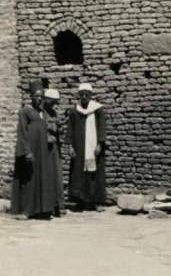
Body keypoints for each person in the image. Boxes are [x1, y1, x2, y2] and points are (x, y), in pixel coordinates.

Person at [11, 80, 58, 219]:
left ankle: (43, 209)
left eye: (42, 97)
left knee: (42, 178)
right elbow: (22, 132)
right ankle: (26, 210)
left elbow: (44, 128)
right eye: (37, 96)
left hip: (43, 151)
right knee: (29, 180)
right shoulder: (25, 111)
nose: (39, 99)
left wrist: (49, 136)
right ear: (31, 96)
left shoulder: (42, 112)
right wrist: (26, 151)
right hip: (31, 150)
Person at [66, 83, 107, 211]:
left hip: (93, 148)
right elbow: (70, 129)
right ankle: (80, 200)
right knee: (78, 173)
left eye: (86, 95)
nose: (84, 97)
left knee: (95, 174)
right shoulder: (74, 111)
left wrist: (100, 143)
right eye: (81, 95)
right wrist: (70, 145)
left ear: (90, 96)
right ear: (79, 96)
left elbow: (102, 128)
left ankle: (97, 201)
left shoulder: (98, 110)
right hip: (79, 148)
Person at [43, 88, 66, 217]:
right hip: (44, 148)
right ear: (46, 99)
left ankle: (57, 205)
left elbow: (58, 130)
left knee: (56, 174)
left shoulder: (54, 112)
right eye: (52, 102)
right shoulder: (40, 113)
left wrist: (60, 126)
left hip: (54, 148)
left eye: (56, 102)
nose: (54, 105)